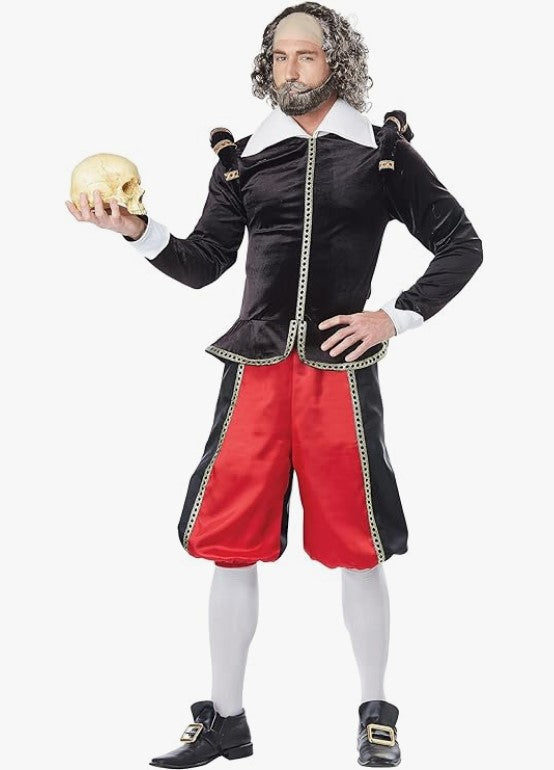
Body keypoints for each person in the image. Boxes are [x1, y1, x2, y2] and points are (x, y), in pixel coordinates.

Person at [65, 3, 483, 767]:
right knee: (231, 543)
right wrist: (134, 230)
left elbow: (461, 243)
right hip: (255, 372)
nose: (291, 69)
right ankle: (225, 720)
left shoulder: (383, 157)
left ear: (336, 63)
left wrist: (394, 318)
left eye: (307, 55)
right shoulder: (244, 160)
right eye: (280, 56)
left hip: (338, 375)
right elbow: (202, 263)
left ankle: (375, 712)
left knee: (357, 545)